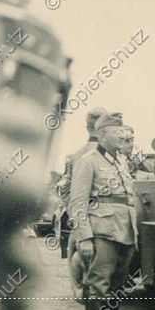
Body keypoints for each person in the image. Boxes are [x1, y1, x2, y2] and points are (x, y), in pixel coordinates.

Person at [69, 113, 141, 310]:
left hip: (125, 230)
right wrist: (85, 237)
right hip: (103, 232)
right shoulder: (88, 162)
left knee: (118, 284)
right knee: (98, 285)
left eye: (123, 132)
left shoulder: (119, 160)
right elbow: (77, 203)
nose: (122, 136)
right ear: (101, 135)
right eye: (116, 132)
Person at [56, 106, 107, 257]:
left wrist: (76, 214)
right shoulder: (110, 154)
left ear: (87, 127)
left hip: (83, 221)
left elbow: (66, 190)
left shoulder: (76, 156)